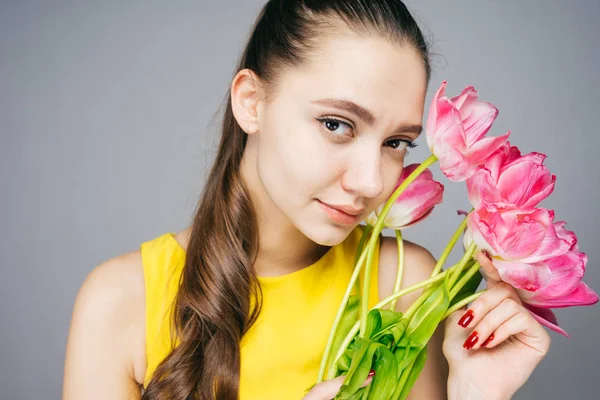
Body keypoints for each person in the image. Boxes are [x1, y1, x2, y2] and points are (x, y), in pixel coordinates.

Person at [62, 1, 551, 399]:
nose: (370, 182)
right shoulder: (121, 301)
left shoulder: (404, 285)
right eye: (336, 125)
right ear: (251, 102)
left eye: (396, 143)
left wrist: (474, 395)